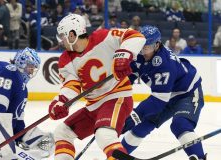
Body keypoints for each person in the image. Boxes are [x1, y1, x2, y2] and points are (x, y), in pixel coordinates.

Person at [49, 14, 146, 160]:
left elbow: (135, 36)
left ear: (72, 34)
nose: (60, 40)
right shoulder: (65, 59)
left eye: (62, 35)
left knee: (104, 134)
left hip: (116, 97)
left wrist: (124, 55)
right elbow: (71, 85)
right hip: (93, 106)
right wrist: (61, 101)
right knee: (62, 132)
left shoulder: (103, 37)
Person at [121, 25, 207, 160]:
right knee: (140, 128)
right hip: (166, 94)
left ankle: (199, 157)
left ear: (156, 45)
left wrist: (135, 115)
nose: (143, 50)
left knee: (180, 124)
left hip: (187, 92)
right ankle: (116, 155)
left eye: (147, 46)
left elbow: (159, 99)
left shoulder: (164, 64)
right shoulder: (139, 53)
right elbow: (129, 76)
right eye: (141, 45)